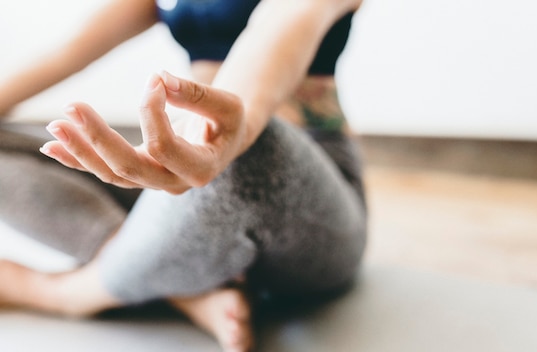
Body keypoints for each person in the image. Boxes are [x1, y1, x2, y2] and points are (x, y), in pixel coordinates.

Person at [0, 0, 367, 350]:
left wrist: (230, 132)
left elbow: (277, 27)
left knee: (248, 155)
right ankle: (181, 292)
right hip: (193, 175)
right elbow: (69, 48)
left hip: (305, 198)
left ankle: (68, 292)